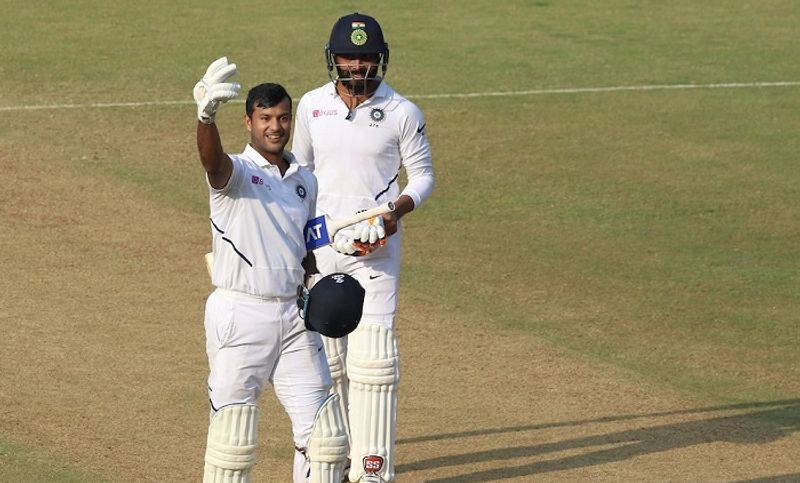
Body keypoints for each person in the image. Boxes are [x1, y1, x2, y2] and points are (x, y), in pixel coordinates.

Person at [192, 56, 354, 483]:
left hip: (294, 317)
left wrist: (335, 254)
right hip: (242, 314)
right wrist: (206, 118)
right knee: (233, 439)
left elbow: (305, 248)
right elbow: (212, 163)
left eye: (283, 118)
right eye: (265, 118)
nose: (275, 127)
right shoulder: (237, 173)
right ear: (248, 122)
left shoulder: (305, 181)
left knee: (327, 438)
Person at [291, 12, 435, 483]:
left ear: (380, 58)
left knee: (372, 360)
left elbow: (423, 176)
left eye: (366, 56)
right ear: (334, 59)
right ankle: (330, 457)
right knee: (328, 360)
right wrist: (296, 239)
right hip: (321, 245)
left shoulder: (402, 112)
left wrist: (395, 213)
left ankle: (373, 470)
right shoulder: (312, 106)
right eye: (349, 57)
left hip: (376, 249)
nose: (357, 66)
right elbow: (298, 175)